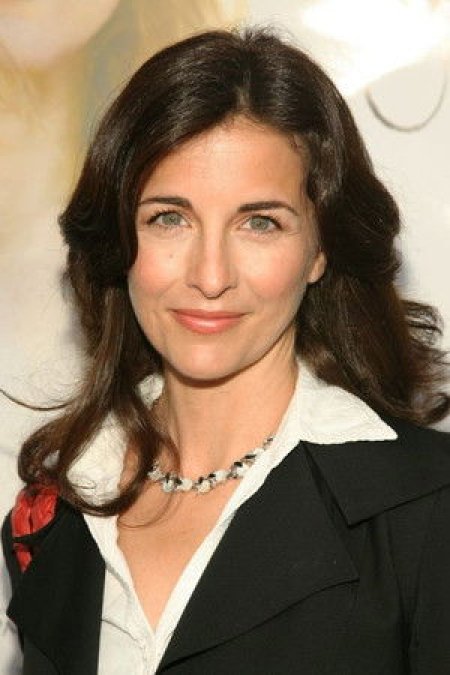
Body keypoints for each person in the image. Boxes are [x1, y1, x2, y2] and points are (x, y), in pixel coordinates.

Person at [2, 27, 450, 675]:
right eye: (170, 218)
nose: (210, 276)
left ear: (320, 249)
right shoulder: (52, 515)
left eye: (259, 222)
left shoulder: (426, 507)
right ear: (121, 240)